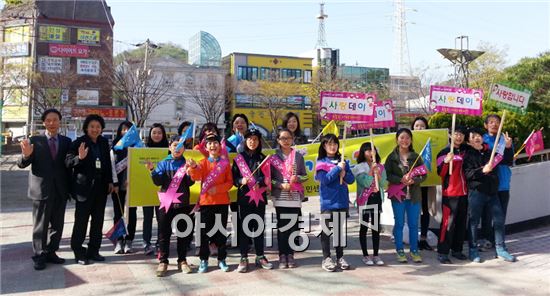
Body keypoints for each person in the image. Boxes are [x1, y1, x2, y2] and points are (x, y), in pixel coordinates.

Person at [17, 109, 72, 270]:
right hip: (41, 190)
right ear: (43, 122)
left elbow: (69, 165)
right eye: (48, 120)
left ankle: (51, 252)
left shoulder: (67, 141)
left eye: (55, 120)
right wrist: (26, 155)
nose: (52, 123)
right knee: (40, 225)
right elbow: (22, 164)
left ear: (60, 122)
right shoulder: (35, 140)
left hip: (60, 190)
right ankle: (39, 255)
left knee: (57, 225)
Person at [463, 127, 516, 263]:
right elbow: (468, 175)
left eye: (478, 135)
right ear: (469, 142)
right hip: (476, 193)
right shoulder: (468, 155)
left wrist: (508, 147)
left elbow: (507, 160)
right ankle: (473, 250)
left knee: (499, 220)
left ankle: (501, 249)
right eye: (473, 136)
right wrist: (482, 170)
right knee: (474, 221)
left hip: (492, 192)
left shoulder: (490, 152)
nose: (476, 137)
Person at [66, 114, 114, 265]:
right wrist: (79, 158)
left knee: (98, 221)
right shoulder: (78, 143)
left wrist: (110, 181)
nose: (95, 129)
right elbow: (68, 162)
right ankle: (79, 252)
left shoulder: (104, 142)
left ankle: (94, 250)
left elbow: (107, 164)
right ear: (86, 127)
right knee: (81, 222)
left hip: (100, 188)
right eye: (92, 126)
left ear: (101, 129)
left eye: (98, 127)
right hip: (84, 189)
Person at [147, 136, 195, 277]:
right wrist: (152, 170)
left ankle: (182, 260)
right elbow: (158, 181)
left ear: (184, 148)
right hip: (166, 202)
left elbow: (190, 183)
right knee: (163, 233)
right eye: (175, 145)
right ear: (169, 147)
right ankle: (163, 261)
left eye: (180, 145)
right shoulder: (163, 163)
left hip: (183, 202)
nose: (177, 148)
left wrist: (190, 173)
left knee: (183, 232)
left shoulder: (187, 163)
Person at [188, 134, 233, 273]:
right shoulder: (202, 163)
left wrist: (217, 189)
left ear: (220, 146)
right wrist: (194, 166)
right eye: (210, 144)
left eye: (215, 143)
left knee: (220, 232)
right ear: (206, 147)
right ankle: (203, 260)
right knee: (203, 233)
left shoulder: (225, 164)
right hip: (206, 203)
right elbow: (196, 177)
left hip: (222, 202)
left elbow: (230, 183)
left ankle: (222, 259)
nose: (213, 145)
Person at [232, 128, 273, 273]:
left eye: (255, 139)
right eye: (250, 139)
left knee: (259, 227)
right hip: (244, 198)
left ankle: (260, 256)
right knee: (244, 228)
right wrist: (240, 180)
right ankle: (243, 257)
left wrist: (260, 182)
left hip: (259, 197)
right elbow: (234, 179)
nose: (252, 141)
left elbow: (267, 177)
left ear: (259, 141)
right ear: (245, 141)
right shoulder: (238, 159)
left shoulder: (264, 158)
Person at [384, 128, 427, 263]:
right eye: (402, 137)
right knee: (399, 224)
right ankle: (400, 250)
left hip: (414, 196)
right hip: (398, 196)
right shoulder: (392, 157)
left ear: (411, 140)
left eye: (407, 138)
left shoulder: (416, 156)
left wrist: (415, 180)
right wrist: (400, 179)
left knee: (414, 224)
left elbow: (424, 174)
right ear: (397, 139)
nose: (405, 140)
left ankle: (414, 251)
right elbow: (388, 175)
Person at [315, 133, 355, 272]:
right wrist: (337, 168)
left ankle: (340, 257)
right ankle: (326, 258)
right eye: (329, 144)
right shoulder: (321, 162)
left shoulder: (343, 161)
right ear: (324, 146)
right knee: (326, 231)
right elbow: (325, 180)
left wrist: (345, 173)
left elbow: (351, 180)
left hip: (342, 201)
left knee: (339, 232)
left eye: (334, 144)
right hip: (327, 202)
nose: (332, 146)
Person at [269, 128, 308, 269]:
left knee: (293, 226)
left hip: (295, 197)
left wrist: (297, 178)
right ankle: (282, 255)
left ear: (292, 139)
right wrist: (280, 185)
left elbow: (305, 176)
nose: (286, 141)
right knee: (282, 227)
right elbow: (270, 179)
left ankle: (290, 254)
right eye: (282, 138)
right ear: (278, 140)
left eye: (288, 138)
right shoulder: (273, 158)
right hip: (281, 196)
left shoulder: (298, 156)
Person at [481, 114, 514, 251]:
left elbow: (509, 161)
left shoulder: (505, 140)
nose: (494, 124)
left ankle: (499, 241)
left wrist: (507, 147)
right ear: (486, 125)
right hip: (488, 184)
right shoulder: (482, 139)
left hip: (503, 183)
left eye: (497, 122)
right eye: (491, 122)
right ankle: (488, 240)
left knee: (501, 215)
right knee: (487, 214)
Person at [435, 126, 469, 264]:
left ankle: (457, 250)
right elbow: (440, 173)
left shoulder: (466, 151)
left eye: (461, 134)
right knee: (448, 224)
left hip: (464, 192)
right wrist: (445, 162)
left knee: (461, 223)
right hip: (450, 193)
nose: (459, 137)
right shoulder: (444, 152)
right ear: (450, 135)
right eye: (456, 134)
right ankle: (443, 252)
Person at [352, 142, 387, 266]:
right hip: (365, 201)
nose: (371, 153)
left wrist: (379, 175)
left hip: (377, 199)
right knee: (364, 227)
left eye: (373, 150)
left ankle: (376, 254)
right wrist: (372, 172)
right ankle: (365, 255)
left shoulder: (381, 167)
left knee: (376, 227)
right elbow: (365, 183)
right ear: (363, 153)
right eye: (367, 151)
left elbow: (384, 184)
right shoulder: (359, 168)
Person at [110, 121, 137, 255]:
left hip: (133, 187)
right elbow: (111, 167)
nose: (126, 132)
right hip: (118, 187)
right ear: (119, 131)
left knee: (132, 214)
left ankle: (129, 240)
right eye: (123, 129)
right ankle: (119, 241)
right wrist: (114, 183)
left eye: (129, 130)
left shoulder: (137, 147)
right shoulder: (115, 147)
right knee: (118, 214)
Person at [142, 123, 169, 255]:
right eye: (154, 132)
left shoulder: (168, 151)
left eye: (159, 132)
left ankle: (160, 242)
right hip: (146, 188)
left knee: (161, 218)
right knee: (147, 217)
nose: (157, 135)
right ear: (150, 134)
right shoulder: (143, 150)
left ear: (163, 135)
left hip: (163, 190)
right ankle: (146, 243)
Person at [411, 116, 434, 251]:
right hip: (410, 183)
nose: (419, 128)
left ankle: (423, 239)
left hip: (425, 182)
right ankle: (413, 239)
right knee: (412, 210)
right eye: (417, 126)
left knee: (425, 210)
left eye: (422, 126)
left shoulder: (430, 140)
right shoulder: (407, 141)